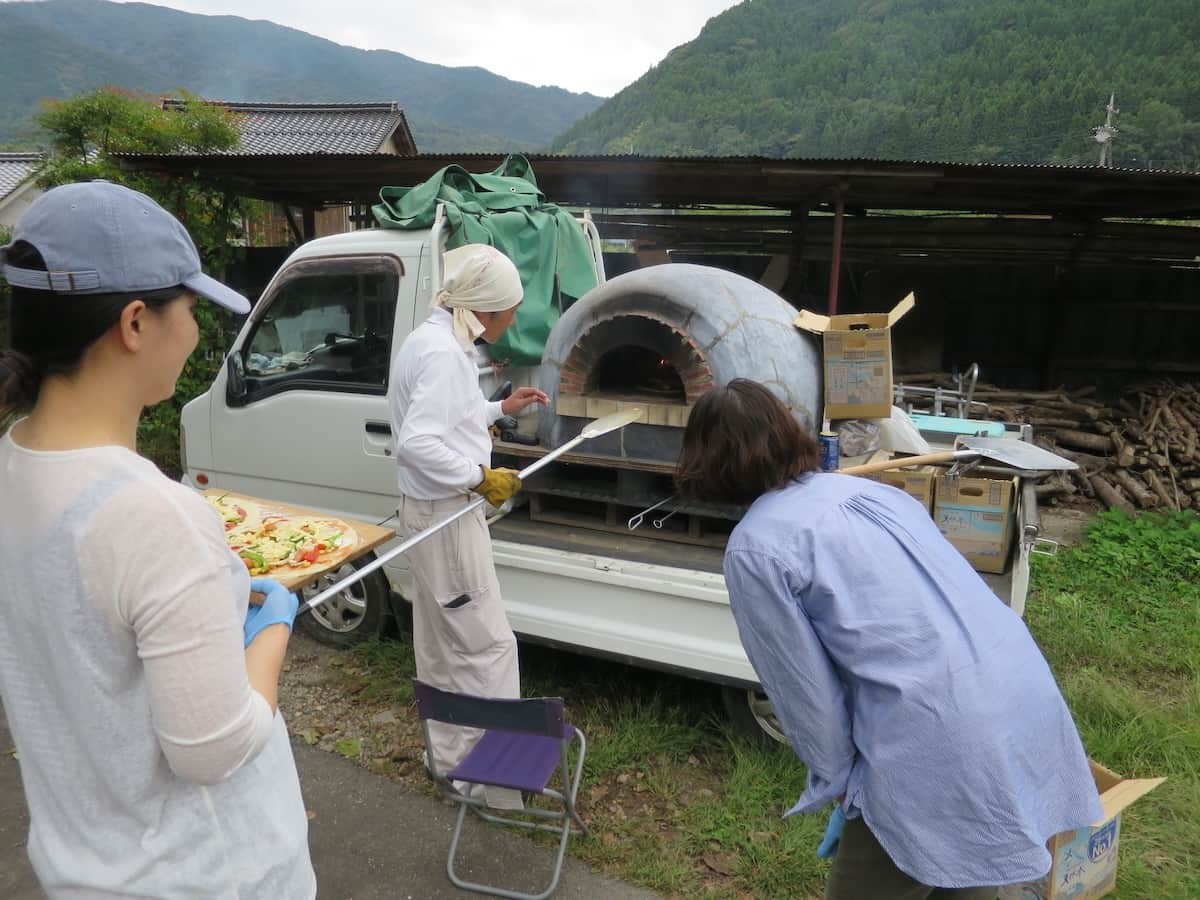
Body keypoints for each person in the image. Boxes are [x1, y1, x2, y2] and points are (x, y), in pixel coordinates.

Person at [0, 181, 315, 898]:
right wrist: (270, 629)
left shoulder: (11, 464)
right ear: (135, 323)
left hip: (80, 867)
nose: (199, 333)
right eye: (193, 309)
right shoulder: (156, 515)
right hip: (209, 876)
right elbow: (214, 747)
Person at [674, 378, 1103, 900]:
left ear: (705, 460)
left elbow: (805, 694)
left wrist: (842, 786)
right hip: (1020, 691)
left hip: (938, 733)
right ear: (791, 434)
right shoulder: (872, 492)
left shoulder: (757, 549)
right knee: (970, 876)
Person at [388, 243, 547, 806]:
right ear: (485, 309)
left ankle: (451, 763)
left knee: (440, 644)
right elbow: (418, 442)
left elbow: (447, 418)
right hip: (447, 521)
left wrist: (500, 411)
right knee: (488, 648)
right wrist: (479, 477)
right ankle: (494, 783)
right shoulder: (444, 355)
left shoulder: (431, 339)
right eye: (511, 309)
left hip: (429, 513)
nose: (515, 319)